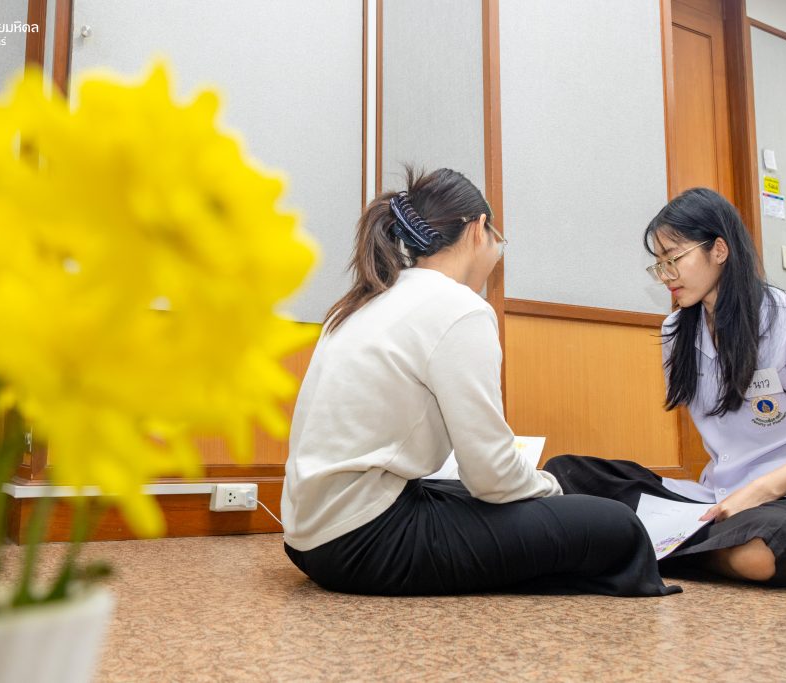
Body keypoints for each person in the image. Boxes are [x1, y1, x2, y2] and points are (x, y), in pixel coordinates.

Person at [281, 168, 678, 597]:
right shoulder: (458, 307)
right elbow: (491, 477)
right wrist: (551, 489)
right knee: (618, 526)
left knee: (547, 488)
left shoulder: (371, 298)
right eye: (497, 240)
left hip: (308, 538)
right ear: (478, 229)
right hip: (365, 543)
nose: (496, 254)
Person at [544, 187, 786, 587]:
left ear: (719, 250)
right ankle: (678, 543)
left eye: (674, 259)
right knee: (566, 473)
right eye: (659, 264)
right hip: (717, 502)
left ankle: (644, 544)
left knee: (765, 550)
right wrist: (733, 499)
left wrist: (758, 492)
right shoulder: (675, 331)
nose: (666, 275)